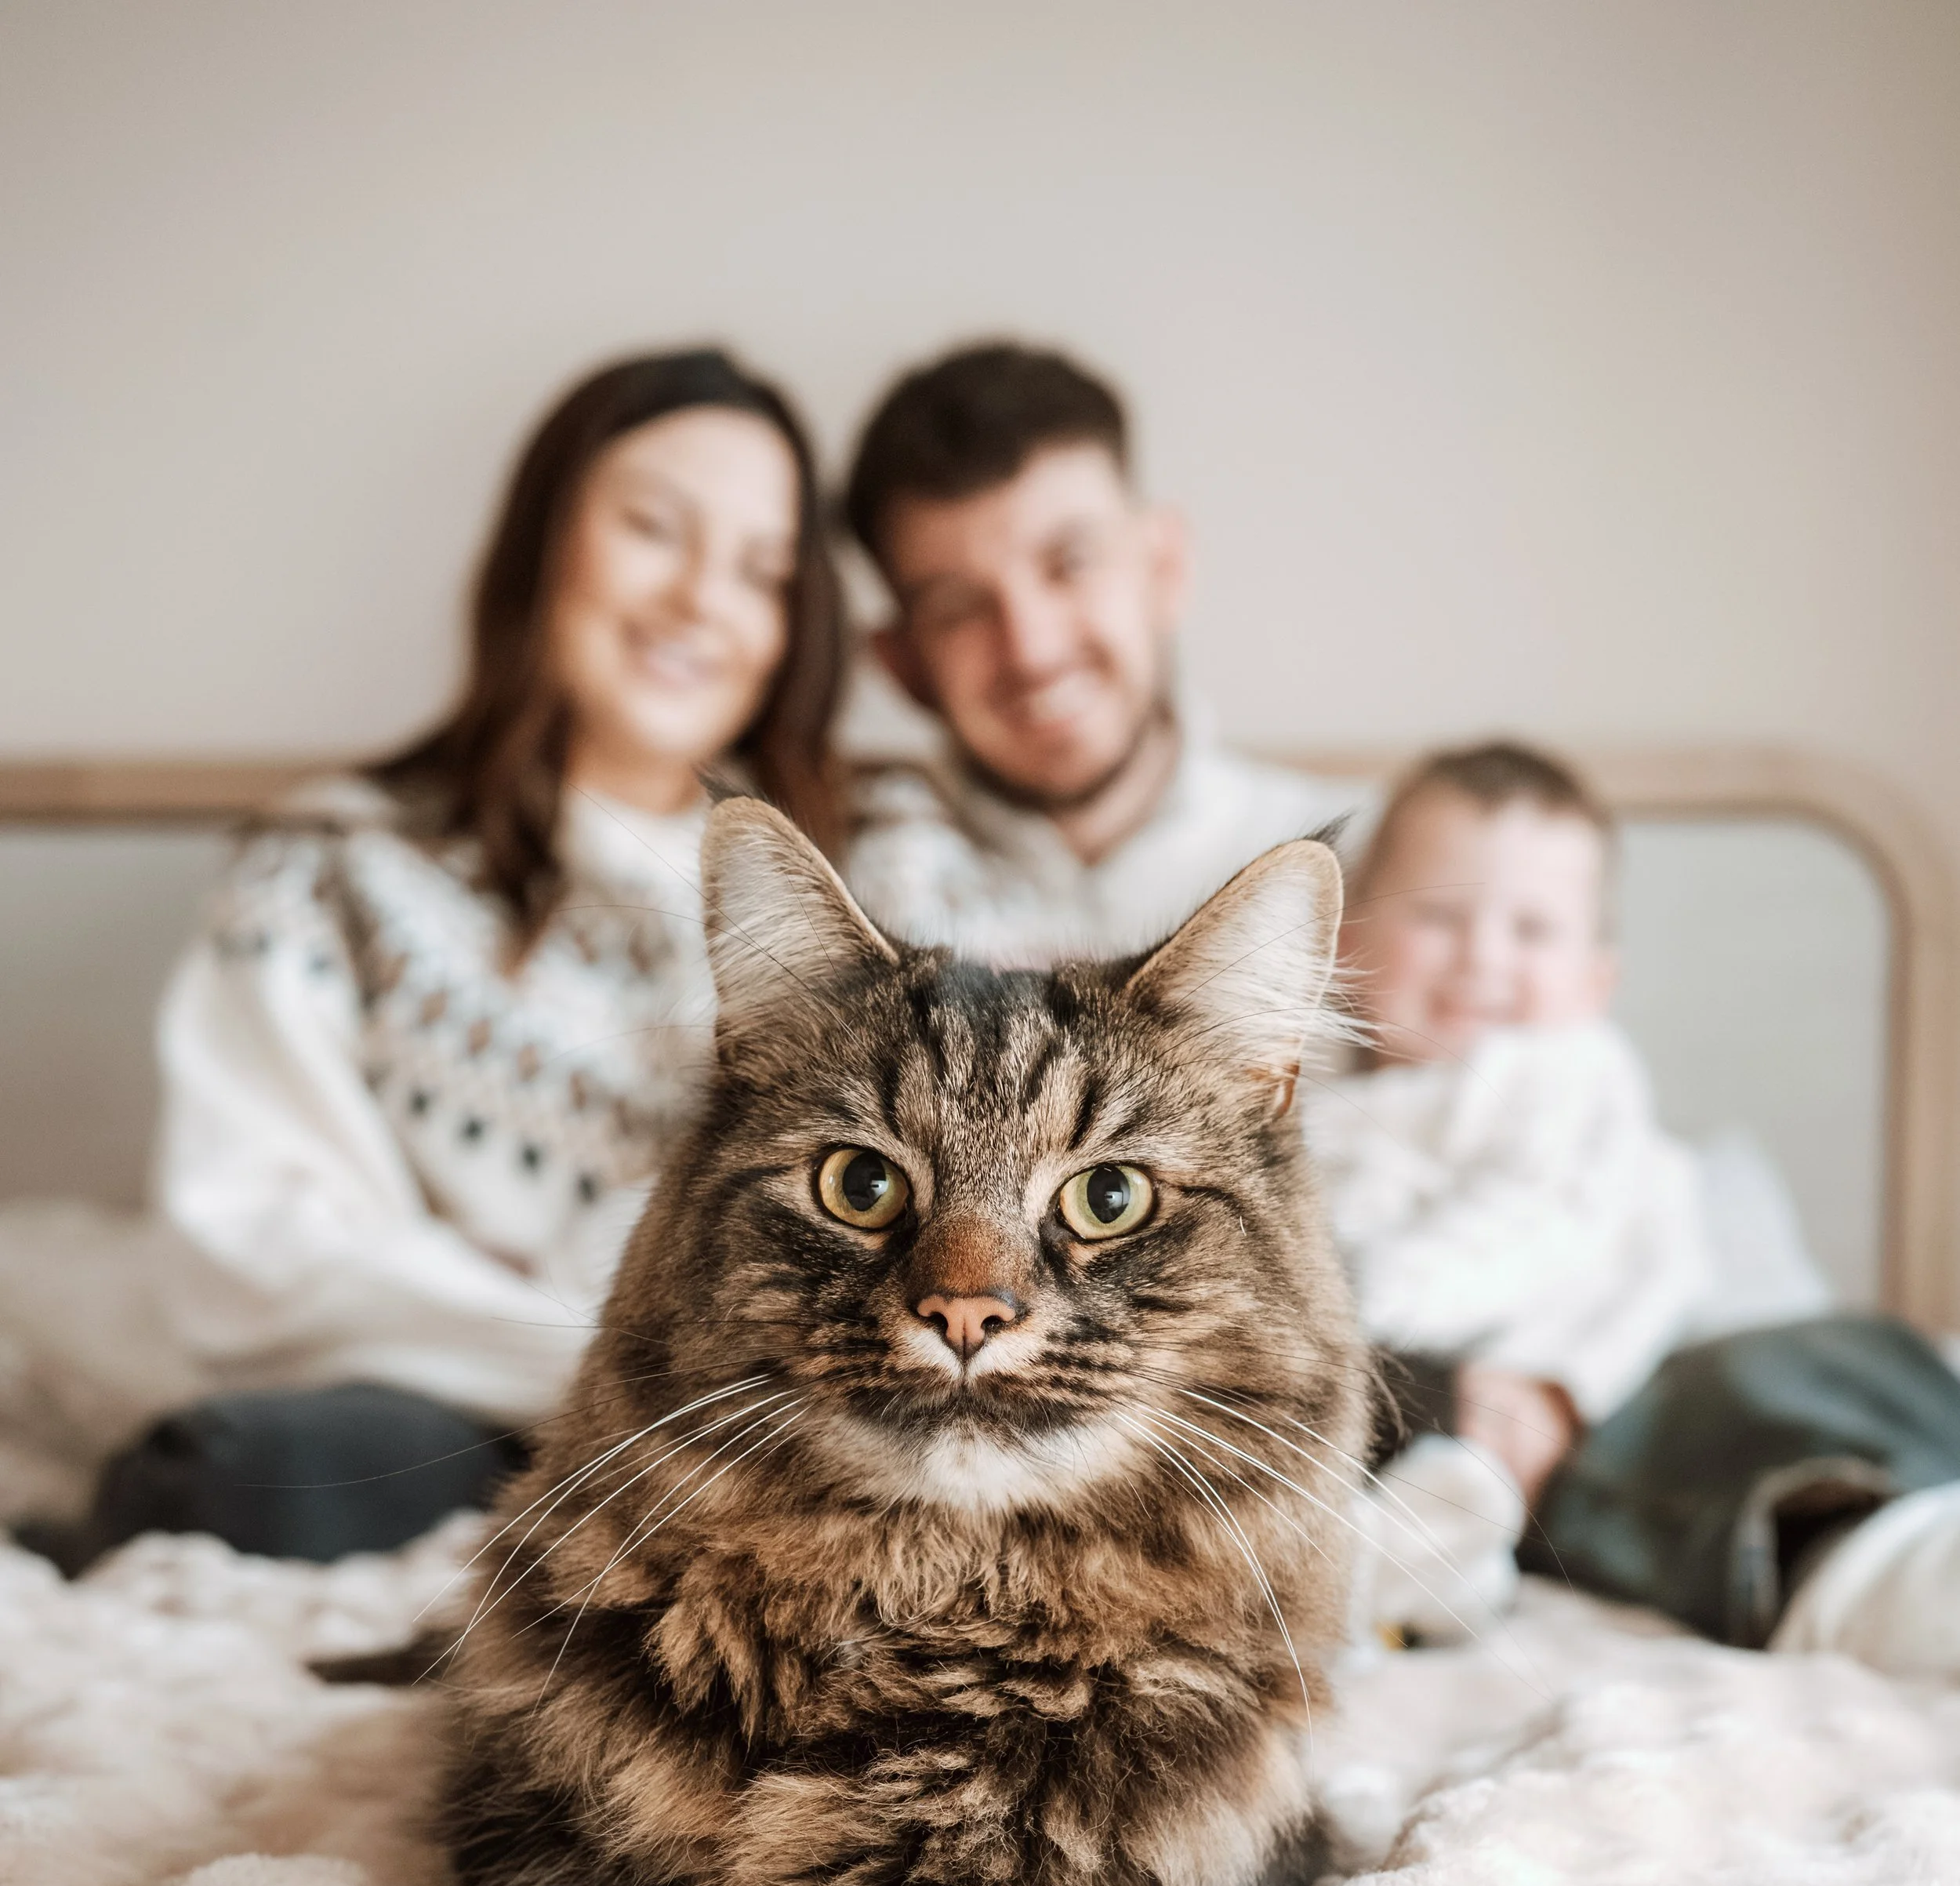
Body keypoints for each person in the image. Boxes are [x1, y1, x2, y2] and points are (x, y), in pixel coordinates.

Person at [45, 347, 847, 1567]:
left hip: (830, 1412)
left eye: (763, 572)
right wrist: (620, 1355)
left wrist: (452, 1267)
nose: (700, 600)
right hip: (478, 1422)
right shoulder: (332, 871)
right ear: (542, 545)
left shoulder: (893, 872)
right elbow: (255, 1264)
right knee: (244, 1465)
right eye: (653, 530)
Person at [1316, 740, 1960, 1668]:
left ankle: (1902, 1557)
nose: (1483, 958)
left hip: (1583, 1366)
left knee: (1799, 1386)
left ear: (1594, 983)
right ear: (1345, 944)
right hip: (1400, 1395)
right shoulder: (1318, 1100)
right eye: (1438, 918)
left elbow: (1533, 1231)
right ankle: (1386, 1576)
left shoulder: (1560, 1077)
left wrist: (1356, 1314)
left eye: (1532, 930)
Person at [838, 340, 1361, 961]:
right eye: (958, 608)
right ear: (902, 666)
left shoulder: (1385, 872)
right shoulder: (837, 898)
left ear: (1165, 566)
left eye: (1071, 564)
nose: (1031, 647)